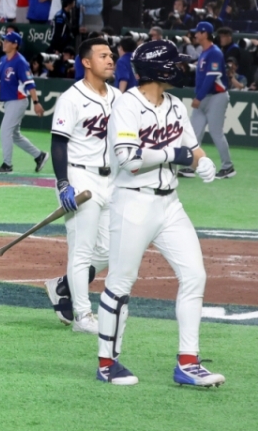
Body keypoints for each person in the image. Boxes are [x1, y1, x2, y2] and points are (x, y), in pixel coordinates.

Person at [96, 39, 223, 388]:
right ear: (159, 69)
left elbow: (192, 148)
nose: (180, 68)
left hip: (170, 204)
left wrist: (203, 162)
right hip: (133, 203)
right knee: (120, 283)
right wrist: (174, 155)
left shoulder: (175, 105)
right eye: (175, 63)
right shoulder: (127, 105)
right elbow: (129, 159)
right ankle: (107, 363)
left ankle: (188, 362)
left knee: (194, 275)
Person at [42, 38, 118, 335]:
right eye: (103, 56)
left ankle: (62, 286)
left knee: (111, 249)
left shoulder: (118, 97)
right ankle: (83, 316)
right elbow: (58, 142)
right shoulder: (71, 98)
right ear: (86, 62)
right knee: (82, 250)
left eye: (111, 55)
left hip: (110, 179)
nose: (110, 60)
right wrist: (64, 184)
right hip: (79, 177)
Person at [0, 31, 48, 174]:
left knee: (5, 131)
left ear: (15, 45)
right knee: (14, 135)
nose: (4, 43)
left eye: (7, 41)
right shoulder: (3, 60)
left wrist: (36, 102)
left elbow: (30, 84)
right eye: (4, 40)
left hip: (18, 101)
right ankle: (39, 156)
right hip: (9, 102)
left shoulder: (20, 62)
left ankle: (7, 165)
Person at [180, 22, 235, 179]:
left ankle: (228, 167)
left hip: (216, 97)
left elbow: (211, 78)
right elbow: (203, 72)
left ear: (205, 34)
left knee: (216, 133)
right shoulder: (205, 52)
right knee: (193, 133)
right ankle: (191, 166)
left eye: (198, 32)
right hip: (204, 97)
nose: (196, 35)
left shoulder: (214, 52)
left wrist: (199, 97)